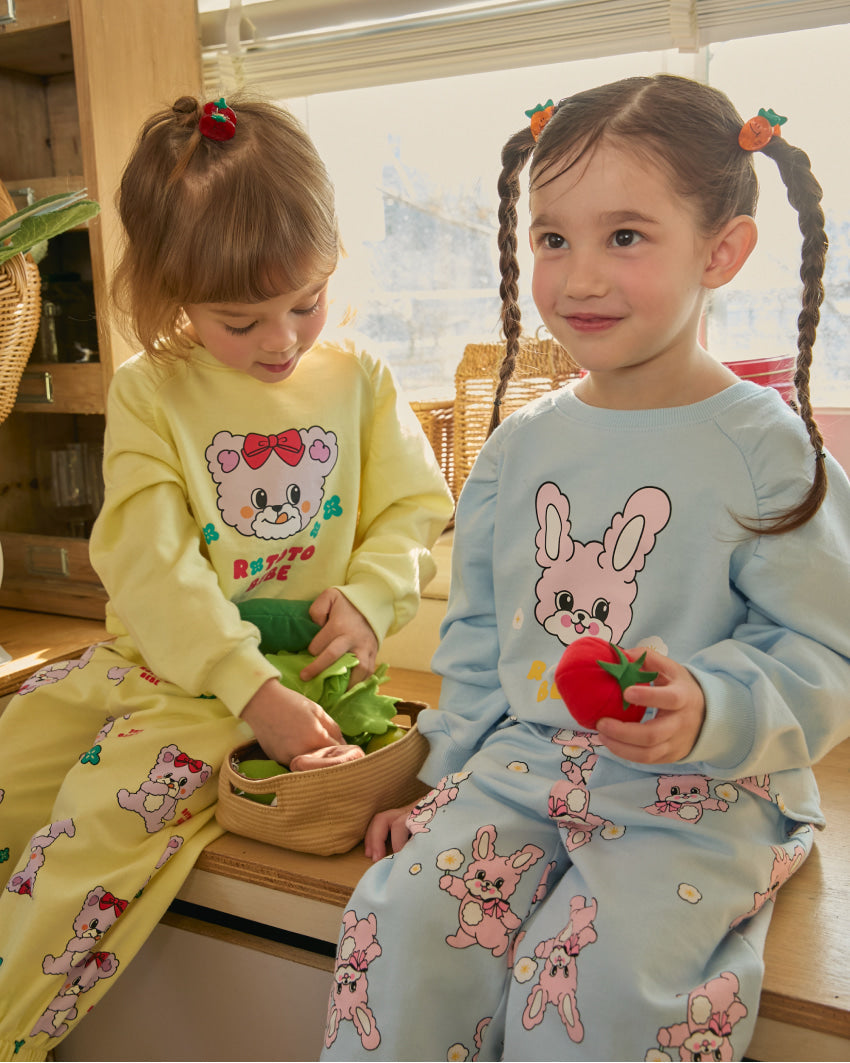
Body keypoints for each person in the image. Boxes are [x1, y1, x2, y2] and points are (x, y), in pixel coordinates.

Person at [320, 74, 850, 1062]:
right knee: (402, 921)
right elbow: (479, 634)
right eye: (553, 238)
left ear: (722, 251)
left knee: (597, 985)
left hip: (706, 788)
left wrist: (709, 701)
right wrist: (442, 775)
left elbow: (826, 653)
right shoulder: (519, 447)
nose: (579, 278)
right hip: (523, 766)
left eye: (625, 236)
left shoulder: (770, 451)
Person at [0, 93, 453, 1061]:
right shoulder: (150, 390)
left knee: (87, 849)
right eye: (241, 320)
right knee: (12, 762)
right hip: (173, 663)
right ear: (172, 293)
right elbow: (150, 564)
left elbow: (413, 508)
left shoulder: (363, 378)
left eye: (306, 302)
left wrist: (369, 600)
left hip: (290, 687)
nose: (282, 339)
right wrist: (241, 681)